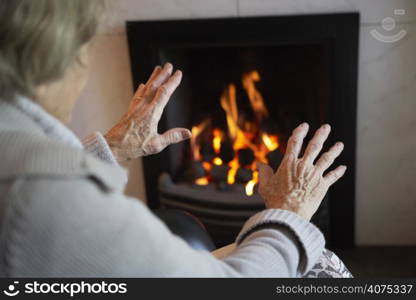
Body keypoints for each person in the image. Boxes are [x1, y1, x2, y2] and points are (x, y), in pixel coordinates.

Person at [0, 0, 350, 277]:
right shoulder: (46, 198)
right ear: (55, 59)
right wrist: (288, 213)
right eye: (85, 48)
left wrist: (111, 148)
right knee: (320, 264)